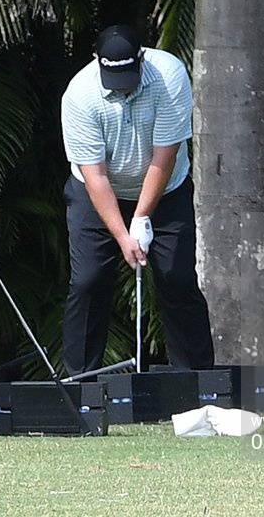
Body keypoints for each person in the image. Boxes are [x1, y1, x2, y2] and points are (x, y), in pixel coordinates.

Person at [60, 24, 214, 377]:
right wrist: (122, 235)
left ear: (142, 58)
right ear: (97, 62)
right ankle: (80, 384)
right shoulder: (79, 95)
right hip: (95, 194)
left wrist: (142, 216)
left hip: (166, 191)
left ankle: (199, 383)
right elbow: (95, 175)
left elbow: (166, 155)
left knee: (176, 278)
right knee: (88, 282)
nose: (123, 86)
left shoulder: (169, 75)